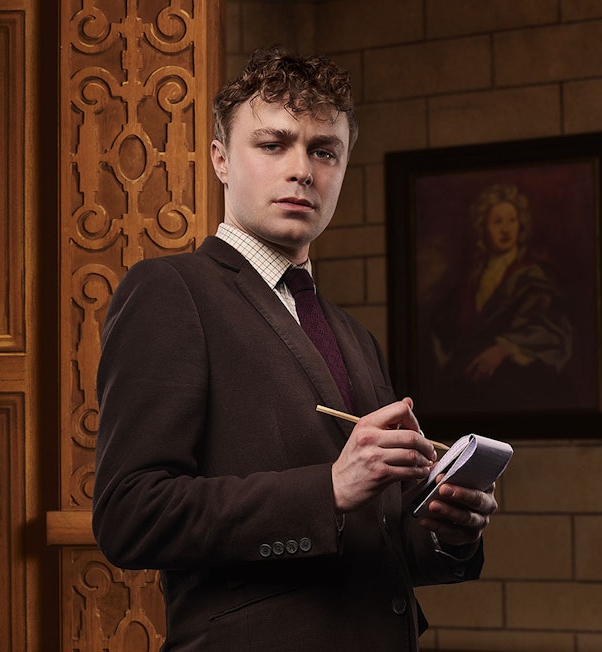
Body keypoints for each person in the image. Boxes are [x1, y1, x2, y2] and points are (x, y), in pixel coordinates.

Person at [92, 47, 498, 651]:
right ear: (221, 159)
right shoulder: (169, 292)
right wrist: (328, 489)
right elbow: (131, 515)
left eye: (323, 151)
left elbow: (381, 544)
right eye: (274, 144)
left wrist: (449, 528)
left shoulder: (355, 338)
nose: (302, 169)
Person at [423, 183, 574, 413]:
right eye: (498, 221)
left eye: (512, 220)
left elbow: (552, 331)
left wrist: (504, 348)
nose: (506, 229)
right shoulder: (470, 278)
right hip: (470, 394)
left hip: (519, 386)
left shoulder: (534, 276)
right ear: (483, 227)